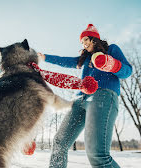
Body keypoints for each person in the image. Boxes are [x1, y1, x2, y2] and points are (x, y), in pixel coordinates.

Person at [38, 24, 132, 168]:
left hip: (103, 95)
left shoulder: (111, 49)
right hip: (80, 99)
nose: (83, 44)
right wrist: (44, 57)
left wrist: (111, 64)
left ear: (95, 39)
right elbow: (65, 60)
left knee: (97, 154)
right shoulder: (85, 58)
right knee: (59, 142)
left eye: (86, 39)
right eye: (82, 42)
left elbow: (127, 71)